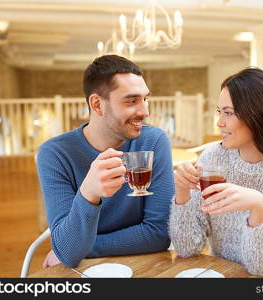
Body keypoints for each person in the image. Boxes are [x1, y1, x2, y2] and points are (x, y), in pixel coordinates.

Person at [169, 67, 263, 277]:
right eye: (219, 111)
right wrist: (182, 193)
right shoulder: (213, 157)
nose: (219, 122)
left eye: (229, 113)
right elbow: (187, 248)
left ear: (259, 115)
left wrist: (257, 209)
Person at [36, 55, 175, 268]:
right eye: (131, 101)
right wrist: (89, 194)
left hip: (143, 266)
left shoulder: (153, 142)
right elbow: (68, 251)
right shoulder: (55, 154)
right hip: (85, 272)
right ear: (97, 104)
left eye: (145, 99)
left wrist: (82, 248)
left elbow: (158, 234)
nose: (145, 111)